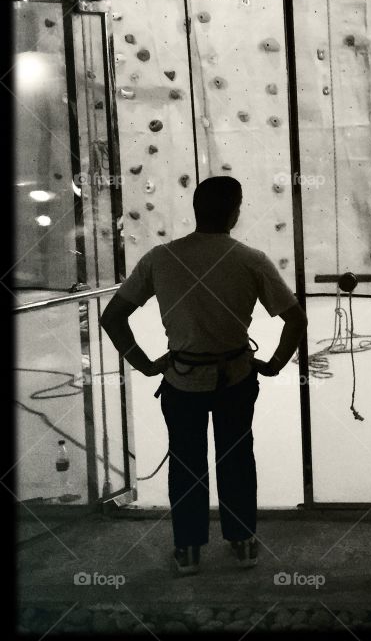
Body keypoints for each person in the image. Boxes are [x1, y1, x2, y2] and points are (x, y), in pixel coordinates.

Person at [99, 176, 308, 576]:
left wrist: (144, 363)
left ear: (196, 209)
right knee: (237, 459)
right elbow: (295, 318)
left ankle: (189, 550)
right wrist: (276, 362)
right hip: (236, 378)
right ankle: (243, 543)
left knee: (186, 464)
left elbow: (113, 317)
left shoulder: (161, 258)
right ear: (234, 211)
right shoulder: (251, 259)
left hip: (182, 380)